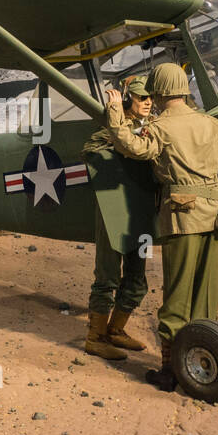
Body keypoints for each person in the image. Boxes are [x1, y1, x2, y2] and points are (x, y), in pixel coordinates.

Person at [103, 63, 218, 391]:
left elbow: (133, 147)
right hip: (215, 214)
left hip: (181, 217)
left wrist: (113, 113)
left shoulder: (160, 127)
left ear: (159, 91)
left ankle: (169, 371)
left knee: (176, 293)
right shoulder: (212, 124)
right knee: (205, 291)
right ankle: (205, 356)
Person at [80, 74, 154, 360]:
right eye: (141, 98)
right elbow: (90, 151)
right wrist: (126, 135)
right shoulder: (112, 125)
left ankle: (115, 330)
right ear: (127, 100)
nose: (147, 103)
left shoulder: (150, 124)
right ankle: (94, 337)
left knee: (137, 279)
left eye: (150, 98)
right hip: (113, 209)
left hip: (139, 207)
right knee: (107, 276)